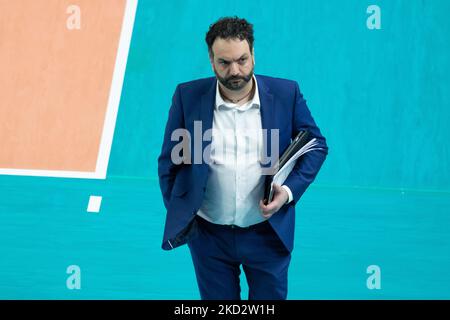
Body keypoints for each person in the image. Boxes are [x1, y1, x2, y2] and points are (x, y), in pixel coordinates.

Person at [157, 16, 328, 300]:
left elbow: (316, 146)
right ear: (211, 61)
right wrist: (185, 213)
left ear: (253, 56)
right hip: (209, 238)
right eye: (224, 63)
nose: (235, 70)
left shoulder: (286, 94)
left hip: (267, 235)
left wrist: (286, 193)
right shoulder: (188, 97)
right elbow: (170, 164)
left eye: (242, 60)